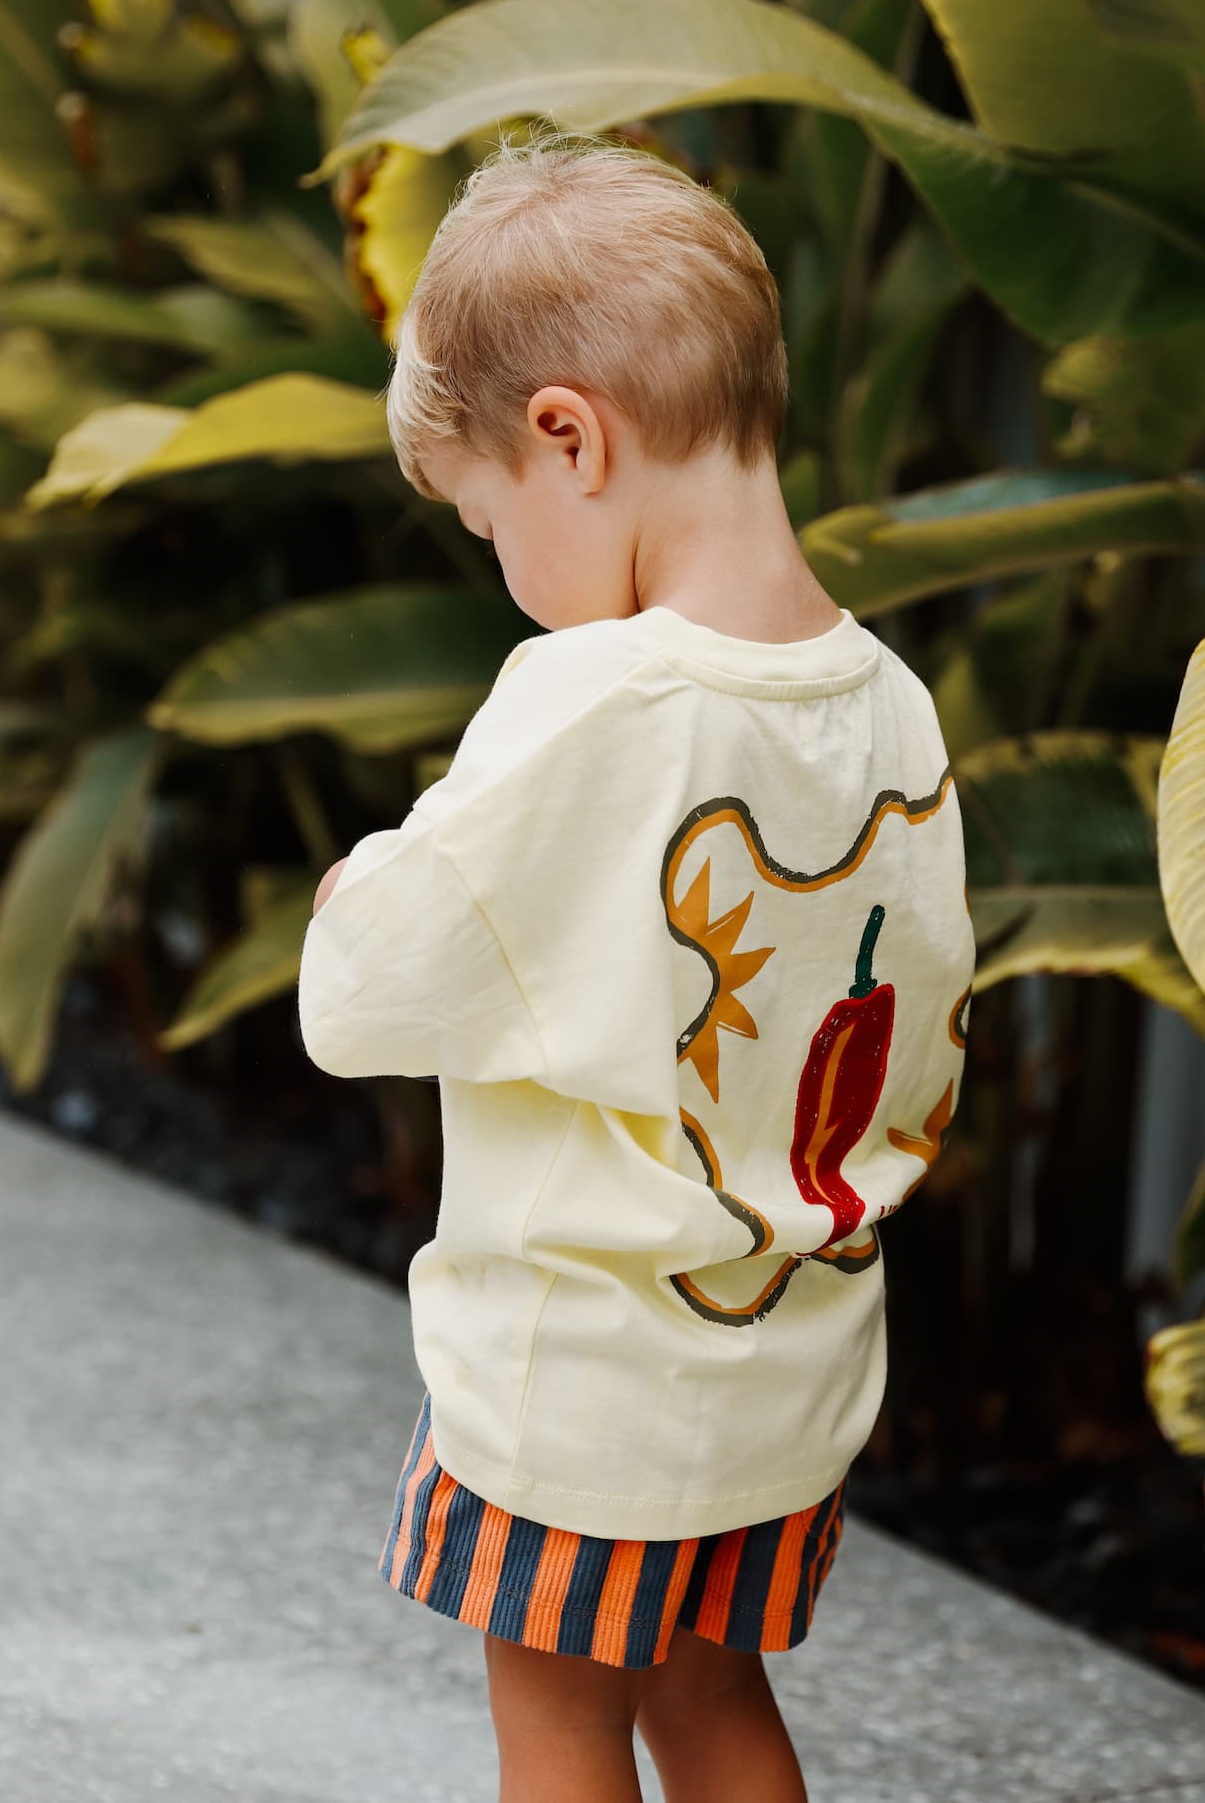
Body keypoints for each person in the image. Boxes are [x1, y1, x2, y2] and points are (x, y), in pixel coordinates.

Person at [298, 125, 976, 1803]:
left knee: (558, 1728)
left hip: (580, 1381)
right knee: (713, 1703)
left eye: (485, 523)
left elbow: (362, 995)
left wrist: (351, 888)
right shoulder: (884, 699)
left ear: (565, 438)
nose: (510, 578)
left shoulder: (594, 699)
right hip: (779, 1361)